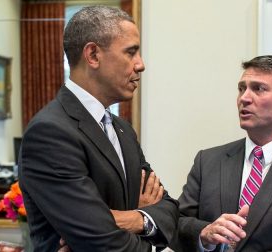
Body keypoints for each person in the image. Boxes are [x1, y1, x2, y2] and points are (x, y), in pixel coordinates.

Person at [18, 6, 179, 251]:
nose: (141, 65)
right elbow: (101, 242)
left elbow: (168, 209)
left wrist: (132, 219)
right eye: (131, 52)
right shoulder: (50, 132)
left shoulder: (123, 129)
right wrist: (143, 218)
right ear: (93, 55)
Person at [171, 55, 272, 252]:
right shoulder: (207, 161)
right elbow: (176, 225)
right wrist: (204, 233)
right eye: (241, 88)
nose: (244, 98)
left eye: (258, 89)